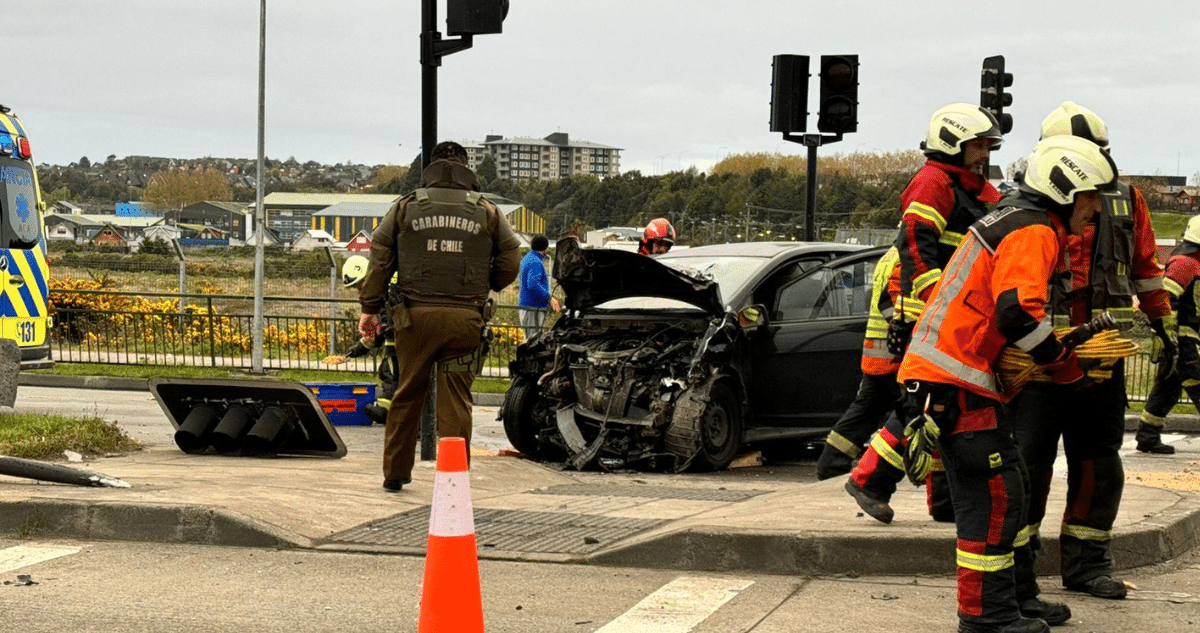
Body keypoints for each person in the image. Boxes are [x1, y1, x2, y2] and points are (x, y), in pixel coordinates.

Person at [899, 135, 1118, 633]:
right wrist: (1064, 366)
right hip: (955, 381)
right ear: (1066, 191)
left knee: (1010, 492)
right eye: (1092, 197)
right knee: (994, 500)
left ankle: (1018, 598)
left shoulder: (1022, 222)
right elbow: (1018, 312)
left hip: (959, 379)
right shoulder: (1034, 230)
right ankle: (987, 617)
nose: (1096, 209)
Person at [1007, 102, 1173, 604]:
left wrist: (1166, 324)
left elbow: (1145, 267)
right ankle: (1017, 572)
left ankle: (1086, 563)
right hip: (1035, 362)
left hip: (1102, 359)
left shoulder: (1125, 201)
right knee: (1028, 463)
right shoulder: (1021, 207)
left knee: (1099, 461)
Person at [845, 102, 1003, 523]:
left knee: (946, 407)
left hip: (954, 314)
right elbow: (916, 241)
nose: (986, 154)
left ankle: (944, 500)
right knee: (927, 404)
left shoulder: (967, 189)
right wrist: (937, 299)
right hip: (937, 315)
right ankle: (869, 478)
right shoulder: (933, 183)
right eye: (979, 145)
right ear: (953, 143)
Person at [357, 141, 521, 492]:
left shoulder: (405, 208)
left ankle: (395, 474)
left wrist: (369, 308)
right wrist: (489, 282)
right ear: (466, 169)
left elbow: (379, 261)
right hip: (466, 320)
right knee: (456, 401)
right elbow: (511, 257)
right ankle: (453, 478)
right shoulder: (488, 212)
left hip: (412, 321)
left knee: (406, 394)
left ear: (431, 167)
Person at [815, 246, 902, 481]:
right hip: (896, 354)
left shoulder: (891, 255)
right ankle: (873, 475)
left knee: (866, 409)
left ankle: (832, 462)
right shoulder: (911, 254)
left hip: (878, 351)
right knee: (907, 415)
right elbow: (890, 301)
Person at [1140, 215, 1200, 453]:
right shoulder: (1186, 263)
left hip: (1187, 337)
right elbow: (1166, 301)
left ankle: (1147, 434)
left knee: (1169, 387)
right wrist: (1168, 338)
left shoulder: (1194, 262)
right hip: (1183, 339)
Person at [337, 254, 398, 424]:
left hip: (400, 339)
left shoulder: (384, 292)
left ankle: (386, 410)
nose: (360, 290)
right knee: (391, 371)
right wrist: (360, 347)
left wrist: (362, 346)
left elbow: (382, 325)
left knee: (391, 372)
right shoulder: (382, 291)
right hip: (396, 338)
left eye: (359, 285)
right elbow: (377, 333)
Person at [517, 234, 560, 341]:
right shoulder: (535, 262)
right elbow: (533, 285)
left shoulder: (527, 258)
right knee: (533, 342)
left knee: (529, 340)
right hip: (533, 308)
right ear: (545, 248)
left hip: (527, 307)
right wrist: (549, 298)